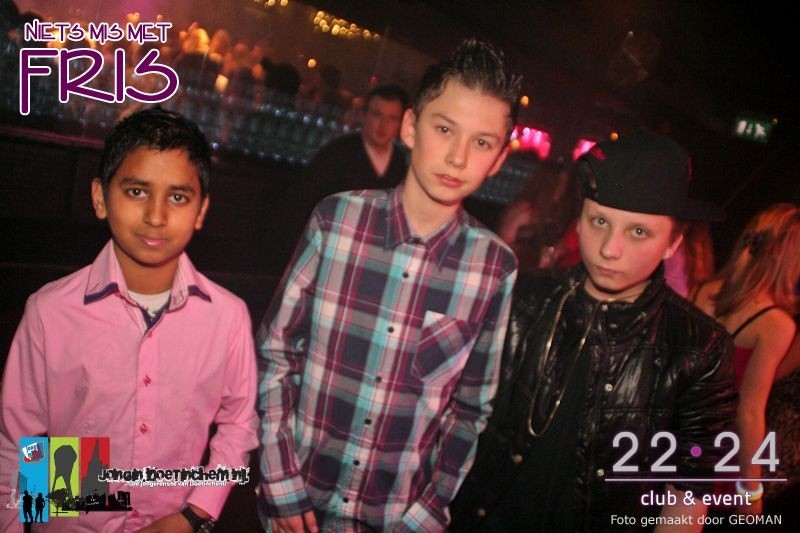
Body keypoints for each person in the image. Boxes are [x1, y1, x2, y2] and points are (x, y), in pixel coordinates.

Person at [256, 38, 522, 532]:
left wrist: (426, 514)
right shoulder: (337, 219)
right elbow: (276, 354)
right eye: (445, 129)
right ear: (411, 127)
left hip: (395, 518)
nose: (458, 156)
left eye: (482, 143)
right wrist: (280, 483)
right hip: (301, 502)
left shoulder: (493, 267)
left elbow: (470, 410)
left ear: (500, 159)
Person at [450, 128, 738, 532]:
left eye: (638, 231)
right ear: (580, 220)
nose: (609, 249)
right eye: (600, 221)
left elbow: (687, 495)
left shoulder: (699, 346)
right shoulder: (522, 299)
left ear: (673, 243)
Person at [0, 107, 259, 531]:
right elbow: (19, 443)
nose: (156, 216)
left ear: (201, 211)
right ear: (101, 198)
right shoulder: (52, 310)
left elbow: (240, 424)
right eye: (137, 191)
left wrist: (194, 513)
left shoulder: (226, 317)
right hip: (73, 515)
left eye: (178, 197)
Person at [691, 203, 800, 518]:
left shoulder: (700, 291)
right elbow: (749, 413)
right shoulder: (775, 324)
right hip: (717, 454)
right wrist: (750, 490)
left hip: (671, 440)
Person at [496, 157, 580, 274]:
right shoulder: (524, 211)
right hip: (513, 272)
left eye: (565, 183)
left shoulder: (552, 214)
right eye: (560, 183)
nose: (563, 189)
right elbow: (502, 246)